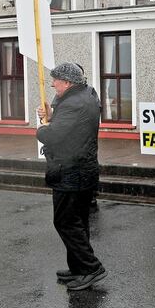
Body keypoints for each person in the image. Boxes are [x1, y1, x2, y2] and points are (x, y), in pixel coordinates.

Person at [37, 62, 106, 290]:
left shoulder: (73, 104)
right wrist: (52, 112)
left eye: (55, 81)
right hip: (83, 169)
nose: (53, 85)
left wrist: (42, 127)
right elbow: (68, 125)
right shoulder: (87, 95)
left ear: (67, 82)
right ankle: (78, 268)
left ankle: (91, 267)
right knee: (78, 221)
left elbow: (53, 136)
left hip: (71, 171)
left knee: (65, 221)